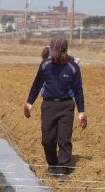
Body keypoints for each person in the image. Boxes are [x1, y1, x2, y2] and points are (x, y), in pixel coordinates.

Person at [24, 36, 87, 176]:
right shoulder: (45, 65)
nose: (54, 57)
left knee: (64, 139)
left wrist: (81, 111)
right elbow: (37, 84)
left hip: (66, 105)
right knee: (47, 140)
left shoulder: (73, 67)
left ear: (64, 52)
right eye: (52, 54)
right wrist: (29, 103)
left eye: (57, 55)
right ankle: (52, 164)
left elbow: (78, 90)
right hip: (48, 105)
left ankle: (63, 168)